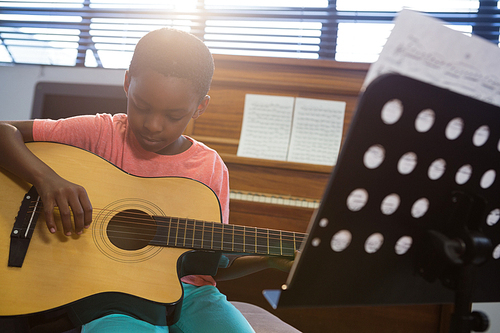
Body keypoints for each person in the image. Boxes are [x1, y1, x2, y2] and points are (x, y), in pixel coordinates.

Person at [0, 28, 291, 333]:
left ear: (200, 107)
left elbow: (214, 261)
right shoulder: (100, 133)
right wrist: (47, 179)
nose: (153, 125)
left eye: (174, 115)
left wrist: (267, 260)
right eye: (141, 106)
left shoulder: (210, 168)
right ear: (127, 83)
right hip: (109, 293)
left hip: (194, 294)